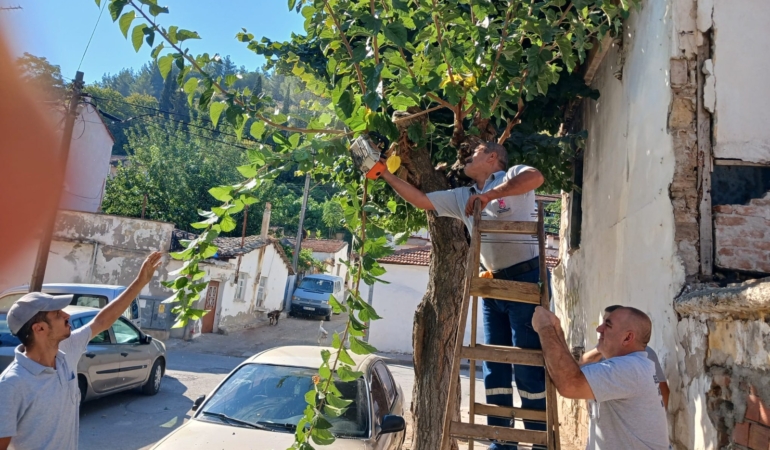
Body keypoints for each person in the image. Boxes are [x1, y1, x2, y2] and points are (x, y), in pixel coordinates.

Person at [380, 141, 546, 449]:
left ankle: (538, 439)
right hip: (490, 284)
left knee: (526, 366)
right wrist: (385, 174)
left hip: (526, 280)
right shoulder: (463, 196)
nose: (468, 152)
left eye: (478, 149)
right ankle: (502, 441)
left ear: (493, 157)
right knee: (495, 367)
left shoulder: (512, 175)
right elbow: (421, 201)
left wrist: (491, 196)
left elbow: (536, 177)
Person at [0, 252, 163, 450]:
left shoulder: (66, 351)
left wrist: (139, 282)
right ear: (39, 328)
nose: (66, 315)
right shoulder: (11, 384)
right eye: (58, 314)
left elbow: (102, 321)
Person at [532, 306, 670, 450]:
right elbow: (574, 372)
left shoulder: (630, 368)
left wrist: (545, 327)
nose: (599, 329)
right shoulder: (631, 365)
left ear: (628, 337)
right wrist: (557, 330)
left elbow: (570, 384)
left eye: (608, 325)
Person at [579, 305, 670, 408]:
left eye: (608, 324)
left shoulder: (645, 354)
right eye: (603, 322)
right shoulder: (601, 352)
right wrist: (601, 348)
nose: (600, 328)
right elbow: (581, 366)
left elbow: (663, 390)